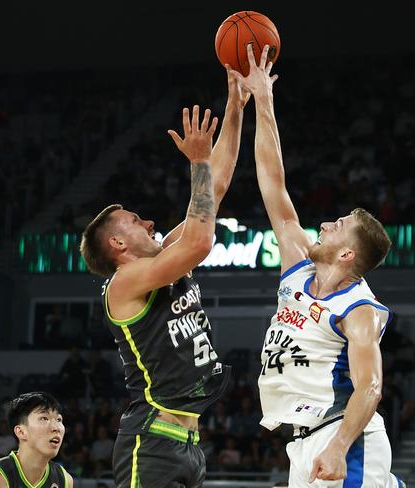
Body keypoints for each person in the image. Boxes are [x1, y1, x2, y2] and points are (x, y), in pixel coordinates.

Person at [232, 44, 403, 487]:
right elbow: (273, 183)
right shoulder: (297, 269)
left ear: (348, 255)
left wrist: (341, 447)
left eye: (337, 226)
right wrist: (263, 101)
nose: (325, 224)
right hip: (302, 442)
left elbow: (369, 387)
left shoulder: (358, 309)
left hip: (345, 436)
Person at [79, 69, 249, 488]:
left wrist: (235, 106)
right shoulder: (123, 285)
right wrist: (196, 163)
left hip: (189, 442)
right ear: (118, 244)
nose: (150, 221)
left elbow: (217, 185)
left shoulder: (165, 258)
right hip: (150, 440)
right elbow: (200, 242)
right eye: (137, 221)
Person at [0, 391, 71, 488]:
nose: (56, 428)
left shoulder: (64, 480)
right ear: (21, 432)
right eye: (44, 418)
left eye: (58, 419)